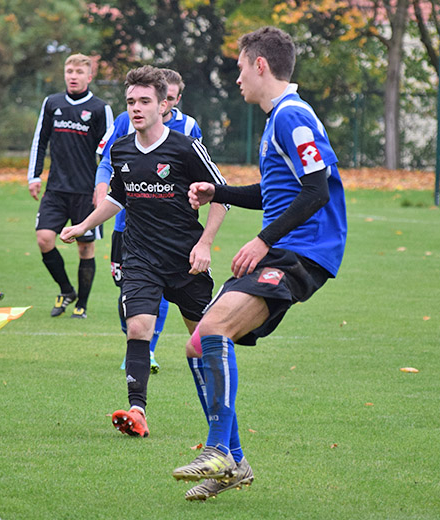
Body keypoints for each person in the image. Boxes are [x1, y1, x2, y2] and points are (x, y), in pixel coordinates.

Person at [172, 26, 347, 501]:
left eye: (240, 68)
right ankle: (234, 461)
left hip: (302, 252)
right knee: (196, 345)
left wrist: (261, 240)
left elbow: (316, 190)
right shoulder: (277, 120)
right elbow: (276, 193)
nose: (237, 79)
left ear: (261, 65)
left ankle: (216, 450)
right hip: (283, 248)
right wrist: (219, 191)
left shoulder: (293, 116)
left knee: (213, 331)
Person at [60, 65, 227, 438]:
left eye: (144, 101)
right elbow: (118, 196)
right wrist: (84, 225)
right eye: (131, 101)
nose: (136, 108)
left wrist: (205, 243)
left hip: (185, 258)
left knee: (203, 340)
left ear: (164, 105)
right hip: (140, 256)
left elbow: (221, 196)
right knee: (138, 327)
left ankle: (221, 414)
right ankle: (137, 410)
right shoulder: (121, 149)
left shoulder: (186, 148)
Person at [94, 68, 203, 373]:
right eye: (134, 101)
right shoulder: (126, 120)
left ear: (172, 99)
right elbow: (107, 161)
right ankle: (136, 342)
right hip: (125, 225)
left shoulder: (188, 128)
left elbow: (199, 172)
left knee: (159, 288)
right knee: (127, 291)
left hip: (167, 232)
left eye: (172, 98)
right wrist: (101, 188)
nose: (166, 103)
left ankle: (148, 349)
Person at [28, 53, 113, 319]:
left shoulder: (100, 108)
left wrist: (104, 187)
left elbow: (110, 151)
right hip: (56, 189)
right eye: (69, 71)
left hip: (87, 192)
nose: (73, 76)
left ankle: (81, 305)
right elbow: (40, 140)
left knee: (85, 248)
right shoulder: (52, 103)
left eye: (79, 72)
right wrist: (34, 176)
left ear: (89, 76)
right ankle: (66, 290)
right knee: (44, 239)